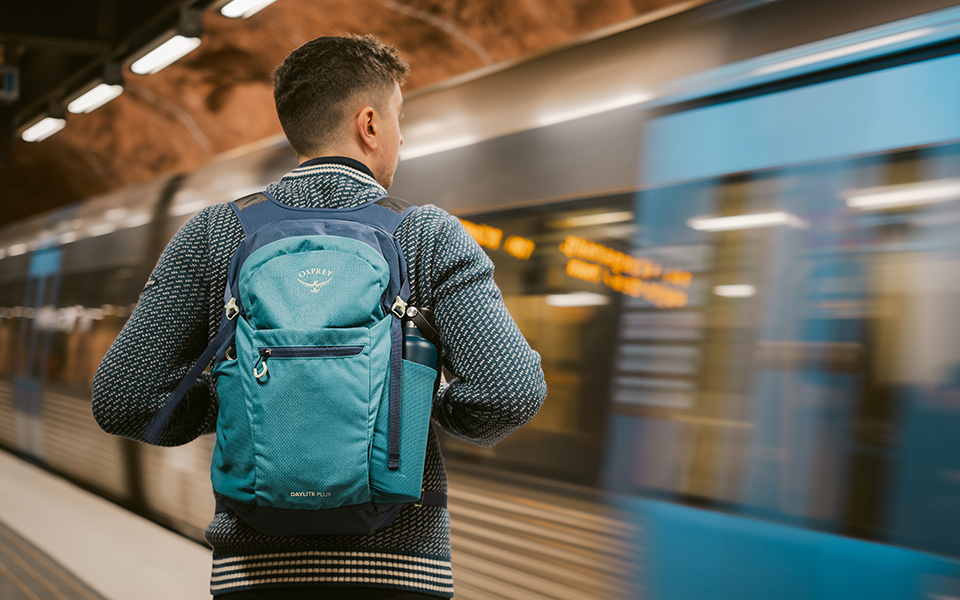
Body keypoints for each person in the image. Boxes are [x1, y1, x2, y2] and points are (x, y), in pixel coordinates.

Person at [92, 34, 547, 599]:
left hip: (255, 574)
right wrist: (401, 400)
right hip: (399, 572)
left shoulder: (214, 232)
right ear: (369, 124)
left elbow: (124, 398)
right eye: (399, 118)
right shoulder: (427, 234)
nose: (401, 137)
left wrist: (242, 399)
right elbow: (510, 392)